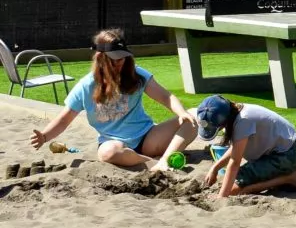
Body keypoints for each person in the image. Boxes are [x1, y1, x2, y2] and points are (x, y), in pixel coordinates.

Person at [30, 29, 197, 171]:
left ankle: (164, 161)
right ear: (100, 59)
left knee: (195, 115)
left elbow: (165, 96)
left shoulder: (136, 75)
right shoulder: (86, 86)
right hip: (115, 143)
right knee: (106, 154)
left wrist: (181, 112)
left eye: (122, 58)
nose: (120, 63)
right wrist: (44, 136)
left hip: (148, 138)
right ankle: (149, 161)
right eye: (114, 59)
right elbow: (64, 119)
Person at [197, 95, 296, 198]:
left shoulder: (243, 120)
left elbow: (234, 163)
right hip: (285, 150)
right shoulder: (235, 112)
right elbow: (235, 149)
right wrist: (215, 168)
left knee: (233, 190)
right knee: (235, 180)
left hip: (289, 155)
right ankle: (285, 175)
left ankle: (290, 177)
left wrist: (221, 196)